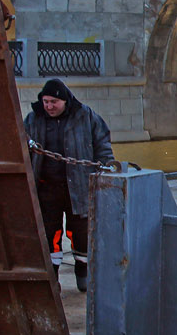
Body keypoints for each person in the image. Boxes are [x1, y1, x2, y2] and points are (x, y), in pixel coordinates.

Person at [24, 78, 115, 292]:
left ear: (64, 101)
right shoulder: (33, 119)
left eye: (53, 102)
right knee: (49, 233)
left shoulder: (85, 116)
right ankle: (52, 276)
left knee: (81, 232)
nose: (49, 106)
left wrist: (106, 166)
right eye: (45, 102)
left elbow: (102, 143)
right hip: (47, 188)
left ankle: (82, 271)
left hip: (79, 187)